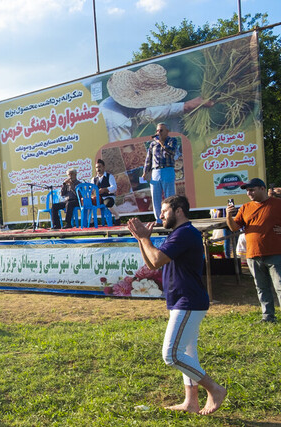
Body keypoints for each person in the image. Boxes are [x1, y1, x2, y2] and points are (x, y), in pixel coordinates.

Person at [127, 195, 226, 415]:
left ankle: (215, 389)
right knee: (187, 354)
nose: (160, 215)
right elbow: (152, 264)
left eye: (164, 211)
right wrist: (141, 239)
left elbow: (156, 260)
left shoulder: (185, 233)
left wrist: (145, 239)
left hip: (188, 300)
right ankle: (191, 402)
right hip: (181, 300)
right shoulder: (179, 234)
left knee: (171, 354)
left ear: (179, 210)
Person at [100, 63, 214, 142]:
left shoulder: (120, 105)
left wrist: (189, 105)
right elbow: (123, 154)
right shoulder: (117, 122)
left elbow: (158, 111)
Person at [226, 178, 281, 323]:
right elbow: (234, 228)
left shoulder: (277, 204)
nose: (249, 193)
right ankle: (268, 317)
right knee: (262, 288)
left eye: (252, 190)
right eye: (247, 191)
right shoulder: (245, 208)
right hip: (253, 255)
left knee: (280, 286)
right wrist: (228, 215)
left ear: (262, 188)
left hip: (275, 253)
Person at [142, 123, 177, 225]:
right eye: (157, 131)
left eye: (161, 130)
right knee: (155, 197)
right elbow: (148, 159)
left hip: (168, 170)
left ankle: (170, 220)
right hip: (155, 172)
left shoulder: (172, 141)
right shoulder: (153, 144)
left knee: (169, 198)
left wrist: (161, 142)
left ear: (167, 131)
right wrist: (145, 172)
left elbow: (171, 152)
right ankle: (159, 220)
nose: (158, 133)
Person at [92, 159, 121, 226]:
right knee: (86, 203)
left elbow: (114, 188)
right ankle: (91, 222)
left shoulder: (109, 176)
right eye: (97, 167)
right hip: (98, 198)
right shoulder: (94, 179)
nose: (98, 169)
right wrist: (91, 191)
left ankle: (117, 217)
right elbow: (92, 189)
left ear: (104, 167)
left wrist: (105, 189)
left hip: (108, 196)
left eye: (100, 167)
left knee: (108, 202)